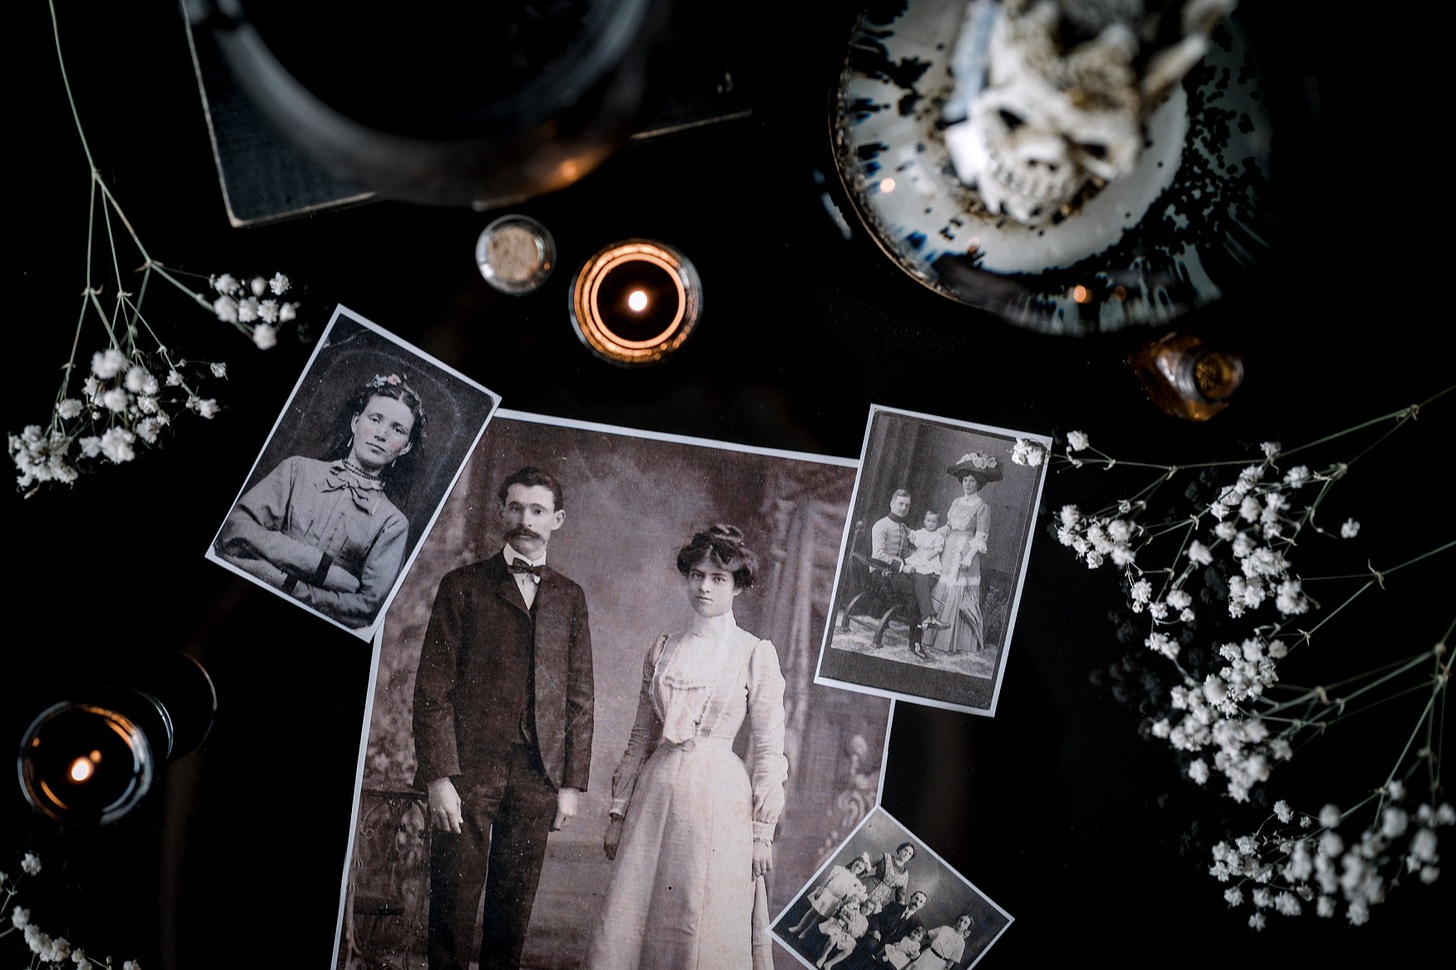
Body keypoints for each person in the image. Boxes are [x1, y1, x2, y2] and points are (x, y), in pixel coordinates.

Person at [411, 466, 594, 970]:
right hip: (468, 771)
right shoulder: (462, 586)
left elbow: (580, 697)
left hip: (537, 775)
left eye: (537, 510)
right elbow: (432, 691)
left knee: (511, 918)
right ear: (500, 512)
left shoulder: (570, 597)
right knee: (451, 908)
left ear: (557, 519)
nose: (525, 520)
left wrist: (570, 785)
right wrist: (439, 776)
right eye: (515, 508)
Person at [584, 525, 789, 970]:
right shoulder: (664, 649)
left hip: (720, 800)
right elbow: (640, 737)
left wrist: (762, 832)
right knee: (636, 917)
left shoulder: (754, 653)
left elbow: (770, 749)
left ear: (738, 586)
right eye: (697, 575)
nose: (704, 587)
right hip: (655, 797)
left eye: (718, 578)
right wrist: (617, 814)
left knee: (701, 915)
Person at [214, 373, 424, 628]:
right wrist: (322, 568)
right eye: (375, 419)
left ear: (406, 446)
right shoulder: (297, 470)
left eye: (397, 429)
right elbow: (234, 529)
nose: (382, 434)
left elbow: (368, 607)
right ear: (355, 422)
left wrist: (289, 587)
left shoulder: (393, 523)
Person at [924, 453, 1001, 655]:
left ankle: (952, 641)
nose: (968, 483)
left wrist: (968, 557)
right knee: (944, 584)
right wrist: (931, 535)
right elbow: (949, 526)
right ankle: (932, 635)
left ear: (979, 483)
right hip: (949, 550)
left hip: (966, 552)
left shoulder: (982, 507)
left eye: (972, 480)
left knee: (958, 589)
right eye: (965, 480)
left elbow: (981, 537)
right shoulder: (956, 502)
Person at [870, 491, 945, 659]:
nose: (904, 508)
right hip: (882, 570)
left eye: (907, 505)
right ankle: (916, 641)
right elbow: (879, 554)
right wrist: (902, 567)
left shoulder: (902, 527)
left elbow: (904, 552)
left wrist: (923, 559)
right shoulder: (881, 525)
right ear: (891, 504)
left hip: (899, 571)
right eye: (900, 504)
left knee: (921, 578)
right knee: (915, 593)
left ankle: (927, 618)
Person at [786, 855, 871, 938]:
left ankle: (805, 932)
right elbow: (828, 879)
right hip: (826, 892)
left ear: (861, 871)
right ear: (853, 863)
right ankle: (799, 927)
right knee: (812, 911)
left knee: (819, 917)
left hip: (835, 900)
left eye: (860, 868)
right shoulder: (841, 870)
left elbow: (848, 895)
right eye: (856, 865)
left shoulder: (855, 882)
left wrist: (841, 903)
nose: (856, 868)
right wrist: (821, 889)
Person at [858, 889, 929, 966]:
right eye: (916, 898)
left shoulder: (918, 924)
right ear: (911, 897)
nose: (917, 902)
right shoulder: (894, 906)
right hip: (878, 938)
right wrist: (876, 931)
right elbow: (876, 918)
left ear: (922, 906)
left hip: (894, 950)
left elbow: (912, 943)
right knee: (867, 947)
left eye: (921, 902)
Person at [815, 898, 875, 970]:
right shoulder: (854, 907)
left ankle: (829, 964)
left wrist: (851, 931)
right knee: (832, 940)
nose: (867, 910)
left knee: (848, 950)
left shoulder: (865, 923)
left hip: (848, 935)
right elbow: (841, 913)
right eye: (866, 907)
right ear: (863, 904)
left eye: (870, 909)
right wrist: (848, 922)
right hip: (839, 927)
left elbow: (858, 935)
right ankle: (823, 957)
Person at [863, 842, 917, 911]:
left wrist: (901, 910)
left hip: (880, 899)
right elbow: (865, 866)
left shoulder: (905, 875)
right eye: (905, 850)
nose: (906, 854)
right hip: (866, 887)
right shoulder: (885, 857)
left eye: (910, 854)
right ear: (900, 849)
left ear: (910, 858)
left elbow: (901, 896)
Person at [907, 915, 973, 969]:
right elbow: (928, 935)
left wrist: (946, 968)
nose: (961, 923)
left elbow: (952, 960)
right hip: (927, 955)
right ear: (957, 920)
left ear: (967, 928)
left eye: (965, 923)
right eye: (961, 920)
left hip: (939, 964)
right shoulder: (945, 929)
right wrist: (917, 931)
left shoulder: (961, 943)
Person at [903, 511, 947, 577]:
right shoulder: (920, 532)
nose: (931, 524)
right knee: (917, 565)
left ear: (937, 523)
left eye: (934, 522)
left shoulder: (937, 536)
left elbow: (938, 549)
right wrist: (910, 534)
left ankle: (929, 576)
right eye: (929, 521)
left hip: (930, 555)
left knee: (929, 568)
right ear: (924, 522)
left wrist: (931, 556)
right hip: (920, 553)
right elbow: (914, 539)